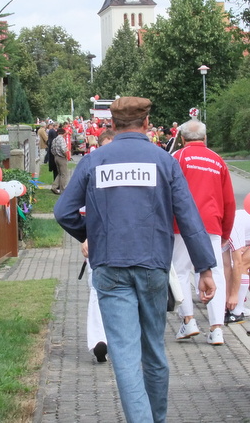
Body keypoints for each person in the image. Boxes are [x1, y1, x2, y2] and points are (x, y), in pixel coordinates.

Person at [54, 97, 217, 423]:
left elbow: (63, 211)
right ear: (146, 124)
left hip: (110, 267)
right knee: (154, 352)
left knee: (126, 358)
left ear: (112, 125)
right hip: (153, 266)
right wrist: (205, 269)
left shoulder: (94, 161)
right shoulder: (164, 161)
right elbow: (189, 218)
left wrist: (94, 234)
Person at [172, 119, 235, 346]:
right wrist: (225, 230)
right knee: (214, 273)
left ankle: (188, 320)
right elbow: (229, 200)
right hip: (211, 224)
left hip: (182, 224)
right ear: (205, 138)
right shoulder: (218, 161)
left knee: (180, 271)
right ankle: (217, 328)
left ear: (182, 139)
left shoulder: (177, 158)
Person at [80, 129, 116, 362]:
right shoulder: (90, 172)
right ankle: (98, 342)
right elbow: (76, 210)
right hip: (98, 242)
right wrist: (85, 237)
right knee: (97, 289)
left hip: (124, 245)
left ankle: (114, 339)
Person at [50, 127, 69, 194]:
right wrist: (66, 156)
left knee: (60, 173)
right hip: (61, 157)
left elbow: (52, 149)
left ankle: (54, 187)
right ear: (63, 133)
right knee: (64, 174)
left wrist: (55, 154)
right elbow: (63, 149)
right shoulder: (62, 139)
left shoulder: (54, 139)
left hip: (56, 157)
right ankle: (62, 189)